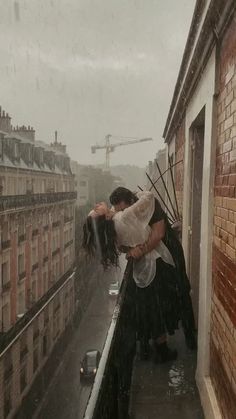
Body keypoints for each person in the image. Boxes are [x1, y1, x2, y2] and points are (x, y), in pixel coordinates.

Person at [83, 191, 185, 363]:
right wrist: (138, 193)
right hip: (156, 263)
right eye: (95, 210)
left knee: (151, 309)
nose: (96, 205)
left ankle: (150, 348)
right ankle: (163, 351)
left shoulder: (113, 230)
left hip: (142, 269)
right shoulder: (123, 217)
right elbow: (149, 198)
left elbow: (124, 248)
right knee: (158, 308)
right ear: (102, 218)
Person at [109, 187, 196, 350]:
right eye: (119, 211)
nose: (123, 213)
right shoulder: (125, 212)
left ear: (131, 202)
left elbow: (158, 234)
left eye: (124, 209)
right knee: (155, 299)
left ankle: (191, 337)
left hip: (169, 250)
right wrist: (129, 249)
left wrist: (139, 251)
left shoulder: (149, 204)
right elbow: (124, 240)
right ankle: (152, 342)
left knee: (181, 289)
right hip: (152, 257)